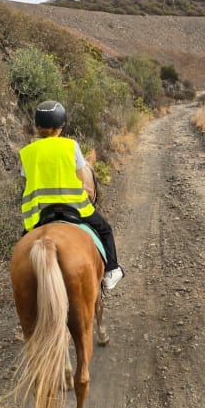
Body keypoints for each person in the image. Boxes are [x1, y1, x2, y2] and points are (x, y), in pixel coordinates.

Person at [19, 100, 124, 291]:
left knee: (23, 244)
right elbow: (81, 175)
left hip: (39, 212)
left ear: (37, 126)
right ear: (60, 127)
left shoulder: (27, 152)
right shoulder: (70, 145)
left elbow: (27, 180)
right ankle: (111, 270)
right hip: (74, 207)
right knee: (105, 230)